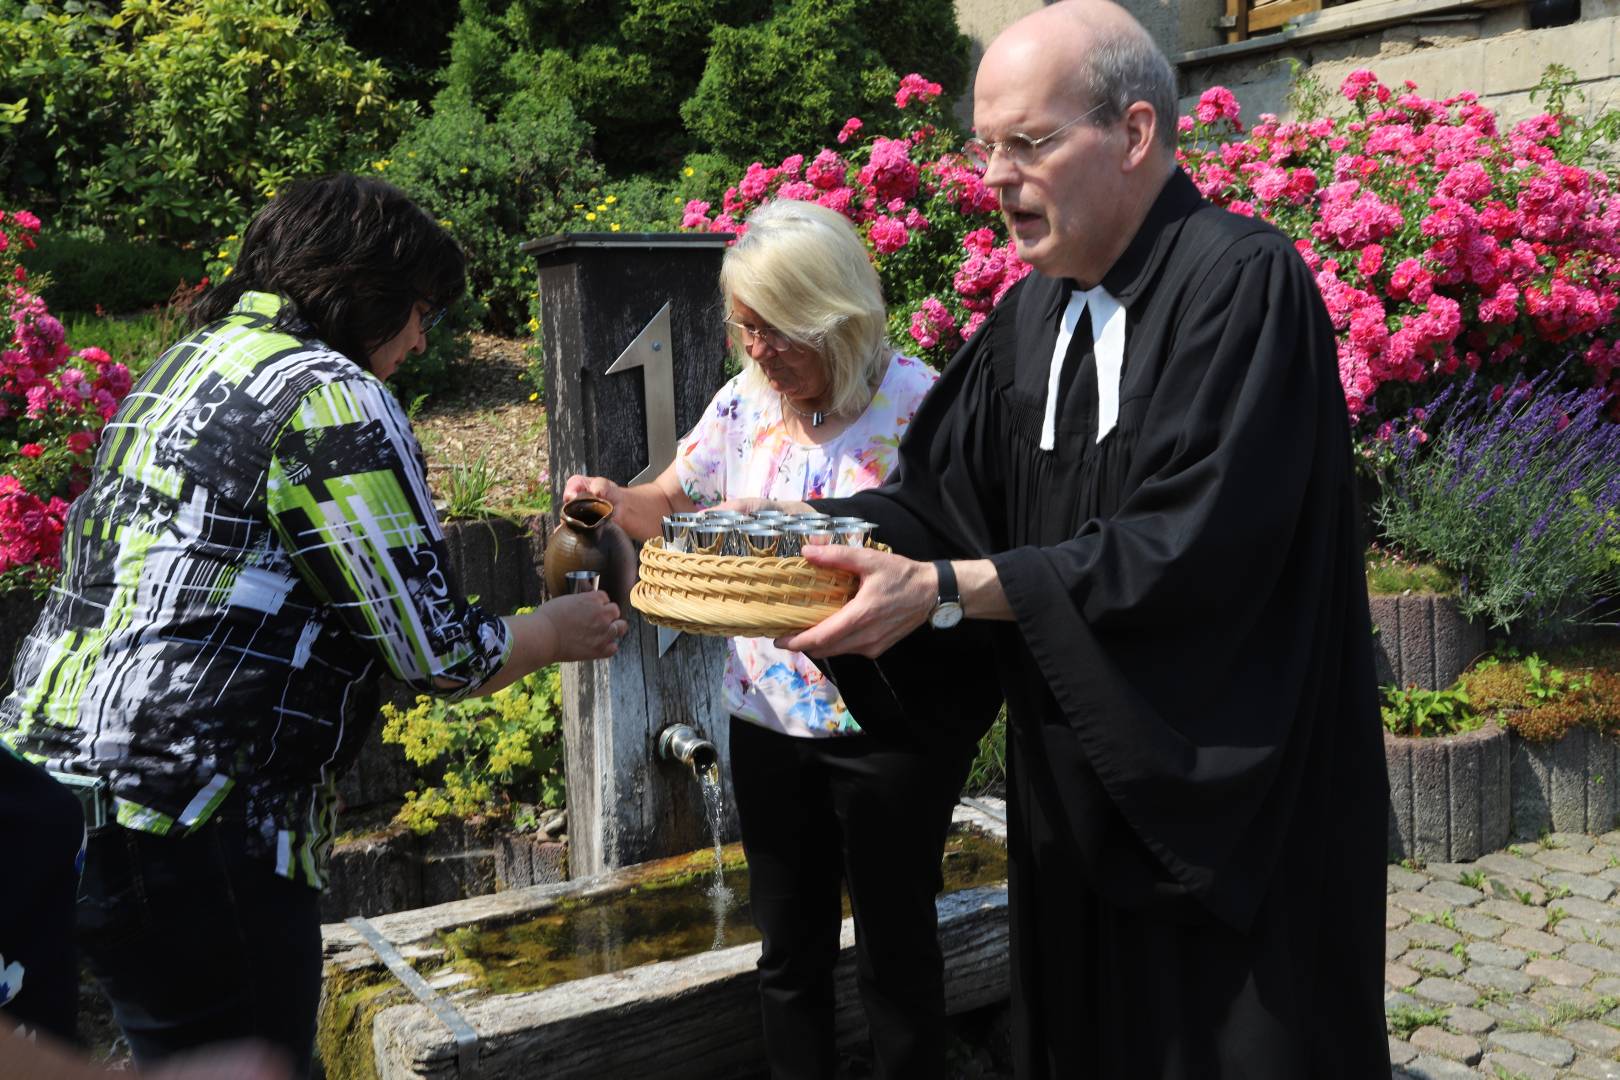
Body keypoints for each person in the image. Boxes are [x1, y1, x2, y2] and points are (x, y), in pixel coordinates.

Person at [779, 3, 1390, 1076]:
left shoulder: (1244, 286)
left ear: (1136, 133)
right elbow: (936, 512)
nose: (997, 178)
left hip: (1228, 816)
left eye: (1030, 143)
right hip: (1076, 811)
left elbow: (1192, 546)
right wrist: (789, 543)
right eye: (985, 148)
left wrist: (949, 588)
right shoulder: (1033, 322)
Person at [0, 174, 626, 1077]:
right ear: (368, 293)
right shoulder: (329, 396)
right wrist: (553, 631)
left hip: (66, 795)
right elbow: (436, 649)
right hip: (202, 818)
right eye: (419, 311)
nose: (420, 338)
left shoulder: (191, 361)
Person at [565, 199, 990, 1079]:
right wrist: (613, 498)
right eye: (745, 329)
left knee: (896, 950)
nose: (757, 351)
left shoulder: (921, 407)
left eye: (775, 332)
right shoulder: (744, 403)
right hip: (762, 712)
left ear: (832, 317)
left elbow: (967, 556)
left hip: (885, 720)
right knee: (788, 952)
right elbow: (673, 501)